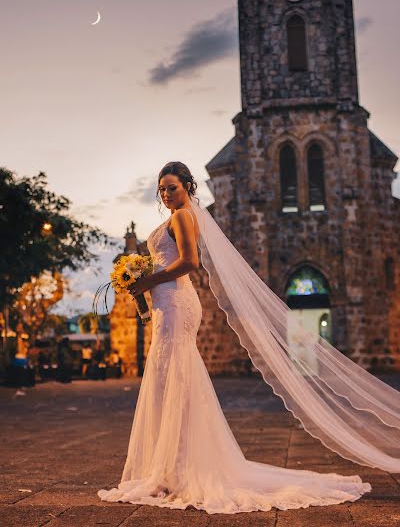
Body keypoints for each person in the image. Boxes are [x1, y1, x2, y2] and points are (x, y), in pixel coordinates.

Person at [98, 161, 400, 514]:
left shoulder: (183, 216)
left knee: (174, 379)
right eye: (162, 188)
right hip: (169, 303)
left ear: (187, 188)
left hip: (177, 303)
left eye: (173, 187)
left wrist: (147, 281)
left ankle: (173, 469)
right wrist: (141, 289)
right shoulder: (177, 216)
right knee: (172, 380)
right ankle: (170, 466)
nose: (166, 194)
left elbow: (190, 262)